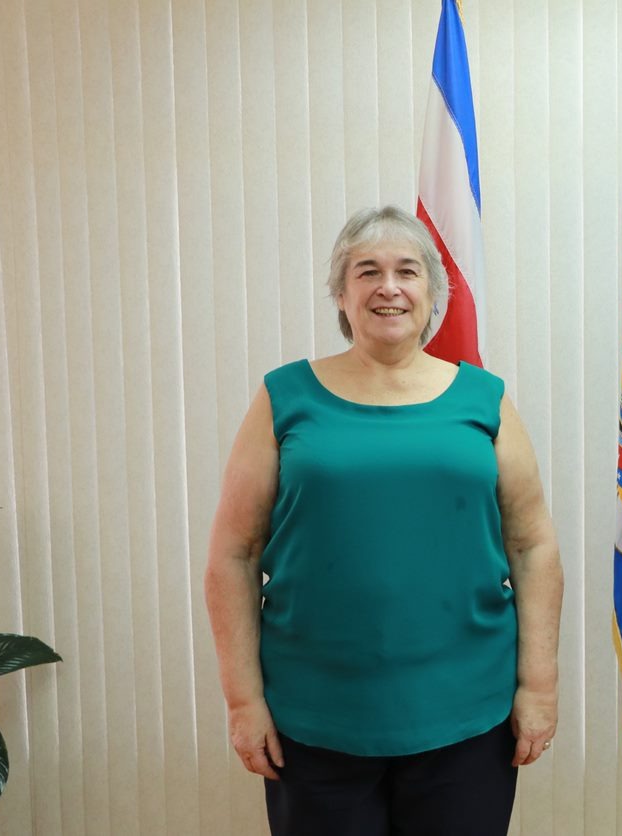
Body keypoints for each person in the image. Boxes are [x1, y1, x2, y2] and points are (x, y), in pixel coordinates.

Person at [204, 205, 563, 836]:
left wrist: (538, 688)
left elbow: (532, 547)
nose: (388, 287)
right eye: (367, 271)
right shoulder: (285, 398)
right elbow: (234, 553)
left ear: (433, 293)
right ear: (341, 295)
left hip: (467, 714)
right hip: (314, 718)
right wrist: (243, 700)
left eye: (407, 271)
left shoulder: (484, 398)